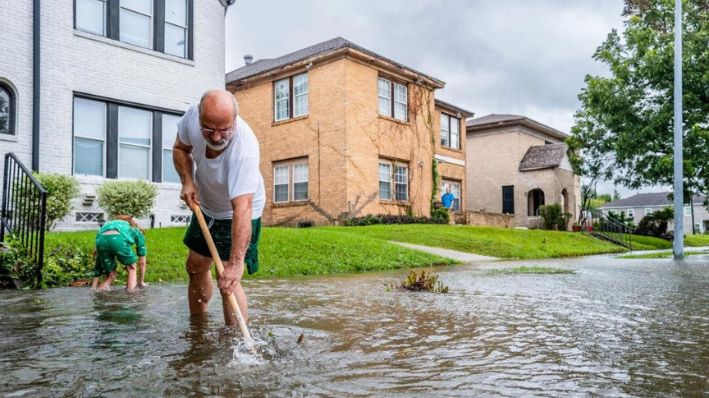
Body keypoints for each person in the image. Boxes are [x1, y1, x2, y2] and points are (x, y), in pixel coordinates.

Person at [172, 89, 265, 326]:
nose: (215, 137)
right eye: (208, 129)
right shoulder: (192, 116)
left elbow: (241, 209)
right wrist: (187, 181)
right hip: (207, 204)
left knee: (227, 278)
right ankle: (198, 327)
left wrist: (236, 265)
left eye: (224, 130)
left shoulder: (244, 151)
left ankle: (233, 344)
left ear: (235, 120)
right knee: (194, 266)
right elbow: (181, 148)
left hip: (240, 210)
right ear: (200, 117)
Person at [91, 215, 147, 292]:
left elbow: (97, 259)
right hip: (119, 240)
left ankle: (99, 293)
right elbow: (142, 261)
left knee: (111, 275)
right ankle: (131, 295)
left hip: (101, 242)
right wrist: (141, 282)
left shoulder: (107, 226)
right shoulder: (134, 228)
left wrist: (93, 287)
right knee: (132, 268)